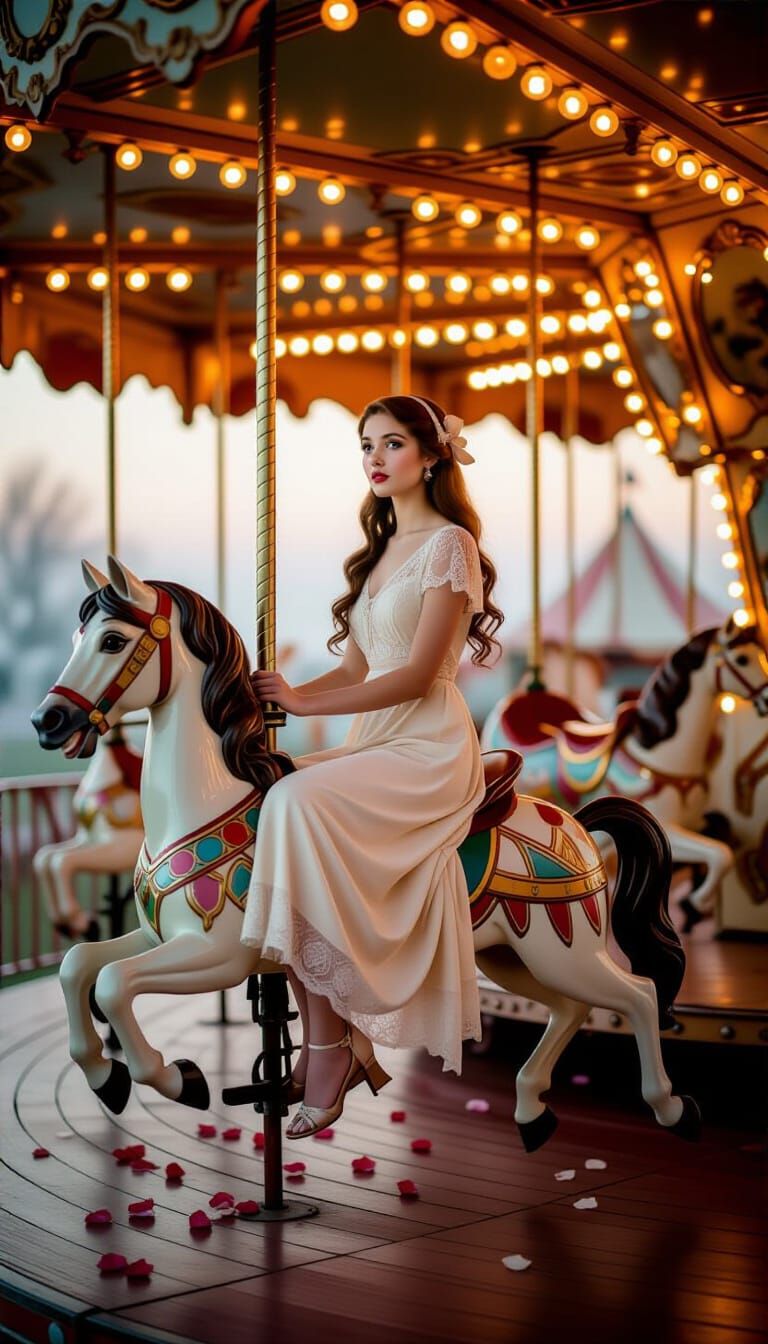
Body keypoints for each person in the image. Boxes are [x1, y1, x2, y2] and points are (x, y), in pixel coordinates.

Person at [241, 394, 503, 1138]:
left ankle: (329, 1047)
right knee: (274, 793)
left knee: (295, 801)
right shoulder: (381, 548)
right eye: (365, 445)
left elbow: (416, 676)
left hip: (428, 745)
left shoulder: (449, 545)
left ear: (431, 455)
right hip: (375, 738)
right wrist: (279, 692)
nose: (375, 459)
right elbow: (359, 665)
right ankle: (331, 1037)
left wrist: (305, 705)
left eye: (391, 443)